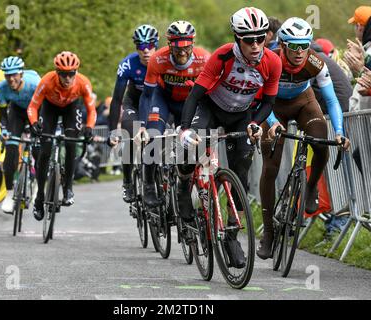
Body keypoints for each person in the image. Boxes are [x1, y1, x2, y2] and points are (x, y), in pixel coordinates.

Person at [179, 7, 281, 268]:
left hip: (241, 115)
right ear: (237, 38)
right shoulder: (222, 56)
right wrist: (185, 128)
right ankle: (183, 185)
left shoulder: (273, 61)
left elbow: (269, 102)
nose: (256, 45)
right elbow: (194, 96)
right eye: (249, 39)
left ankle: (232, 236)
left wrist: (256, 123)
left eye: (262, 38)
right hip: (211, 109)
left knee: (241, 172)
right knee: (192, 150)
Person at [256, 17, 350, 260]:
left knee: (320, 142)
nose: (299, 52)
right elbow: (259, 101)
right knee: (270, 166)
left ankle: (309, 189)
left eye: (304, 46)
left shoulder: (315, 62)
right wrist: (272, 123)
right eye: (294, 46)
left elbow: (330, 100)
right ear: (283, 45)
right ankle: (268, 233)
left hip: (303, 103)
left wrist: (339, 132)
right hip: (273, 106)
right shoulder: (269, 60)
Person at [138, 20, 210, 209]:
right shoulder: (158, 59)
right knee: (154, 136)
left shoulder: (204, 59)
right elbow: (146, 95)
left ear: (192, 44)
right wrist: (143, 126)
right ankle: (148, 186)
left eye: (186, 47)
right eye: (177, 48)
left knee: (190, 147)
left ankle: (183, 189)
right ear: (169, 45)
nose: (182, 52)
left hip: (189, 104)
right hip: (163, 101)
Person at [27, 51, 96, 221]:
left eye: (71, 74)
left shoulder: (83, 83)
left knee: (71, 143)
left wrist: (89, 127)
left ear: (76, 73)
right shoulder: (46, 81)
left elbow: (91, 109)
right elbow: (32, 107)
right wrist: (34, 123)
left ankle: (68, 188)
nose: (67, 78)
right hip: (50, 108)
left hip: (71, 108)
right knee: (45, 150)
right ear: (57, 73)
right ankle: (40, 197)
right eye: (63, 74)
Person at [107, 24, 159, 203]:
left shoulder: (164, 61)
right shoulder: (128, 64)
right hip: (134, 104)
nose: (146, 51)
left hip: (157, 104)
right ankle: (128, 182)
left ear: (156, 45)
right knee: (129, 133)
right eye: (141, 47)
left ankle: (162, 174)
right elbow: (116, 100)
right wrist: (112, 130)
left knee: (159, 136)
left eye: (150, 45)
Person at [0, 56, 41, 214]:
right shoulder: (1, 88)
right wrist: (4, 130)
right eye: (7, 75)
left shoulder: (34, 84)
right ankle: (9, 194)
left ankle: (38, 188)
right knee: (11, 149)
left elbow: (47, 108)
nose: (10, 78)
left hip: (37, 110)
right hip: (17, 112)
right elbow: (3, 114)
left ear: (21, 74)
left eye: (14, 74)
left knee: (39, 148)